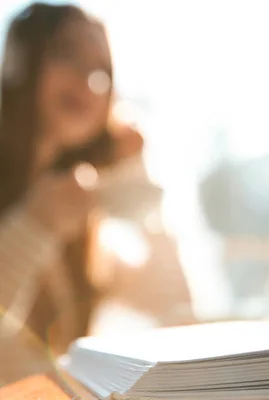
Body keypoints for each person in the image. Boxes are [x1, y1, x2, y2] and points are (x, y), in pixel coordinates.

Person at [0, 2, 144, 384]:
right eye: (67, 53)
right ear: (18, 62)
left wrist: (138, 173)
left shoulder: (81, 210)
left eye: (102, 71)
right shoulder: (47, 211)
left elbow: (174, 307)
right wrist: (33, 226)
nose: (89, 82)